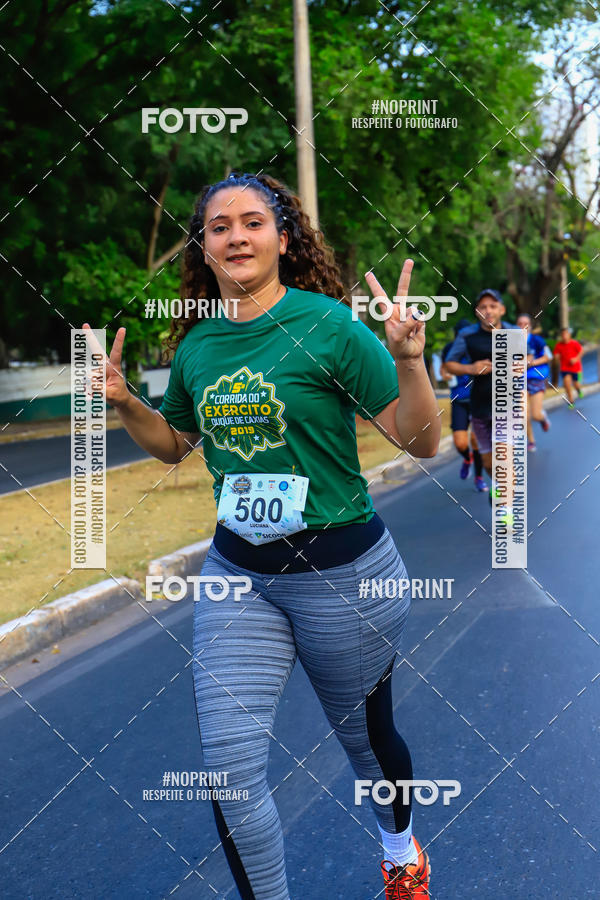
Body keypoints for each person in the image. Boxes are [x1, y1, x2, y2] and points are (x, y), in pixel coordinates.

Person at [84, 172, 441, 899]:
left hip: (345, 574)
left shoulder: (330, 326)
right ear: (205, 247)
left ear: (283, 237)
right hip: (238, 575)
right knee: (228, 766)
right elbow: (172, 442)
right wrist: (125, 402)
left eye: (253, 221)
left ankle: (401, 851)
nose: (236, 236)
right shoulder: (197, 347)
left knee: (365, 744)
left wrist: (408, 361)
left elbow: (420, 440)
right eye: (220, 226)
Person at [443, 289, 519, 506]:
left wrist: (521, 364)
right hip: (479, 407)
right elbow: (450, 364)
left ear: (502, 309)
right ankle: (497, 486)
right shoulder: (467, 336)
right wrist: (471, 367)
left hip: (506, 406)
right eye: (483, 306)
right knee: (488, 462)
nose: (488, 310)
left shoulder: (514, 333)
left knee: (503, 459)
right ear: (477, 311)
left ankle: (506, 511)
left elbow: (527, 358)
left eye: (493, 306)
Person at [440, 318, 488, 491]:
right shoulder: (449, 349)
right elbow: (443, 370)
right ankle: (467, 458)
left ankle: (479, 477)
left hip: (479, 398)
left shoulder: (480, 347)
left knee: (476, 440)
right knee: (460, 443)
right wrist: (446, 376)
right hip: (458, 399)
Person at [516, 313, 552, 451]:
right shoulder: (512, 342)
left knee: (535, 414)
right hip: (519, 381)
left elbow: (548, 356)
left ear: (530, 325)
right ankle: (531, 441)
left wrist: (531, 363)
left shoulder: (537, 340)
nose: (522, 326)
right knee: (523, 413)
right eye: (519, 323)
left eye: (525, 323)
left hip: (536, 378)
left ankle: (542, 419)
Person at [553, 326, 584, 408]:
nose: (564, 336)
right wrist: (556, 357)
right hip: (565, 368)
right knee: (567, 384)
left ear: (569, 334)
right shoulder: (559, 345)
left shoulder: (574, 343)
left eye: (565, 334)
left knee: (576, 384)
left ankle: (578, 390)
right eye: (562, 334)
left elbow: (581, 351)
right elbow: (555, 355)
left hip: (575, 368)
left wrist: (576, 359)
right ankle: (571, 401)